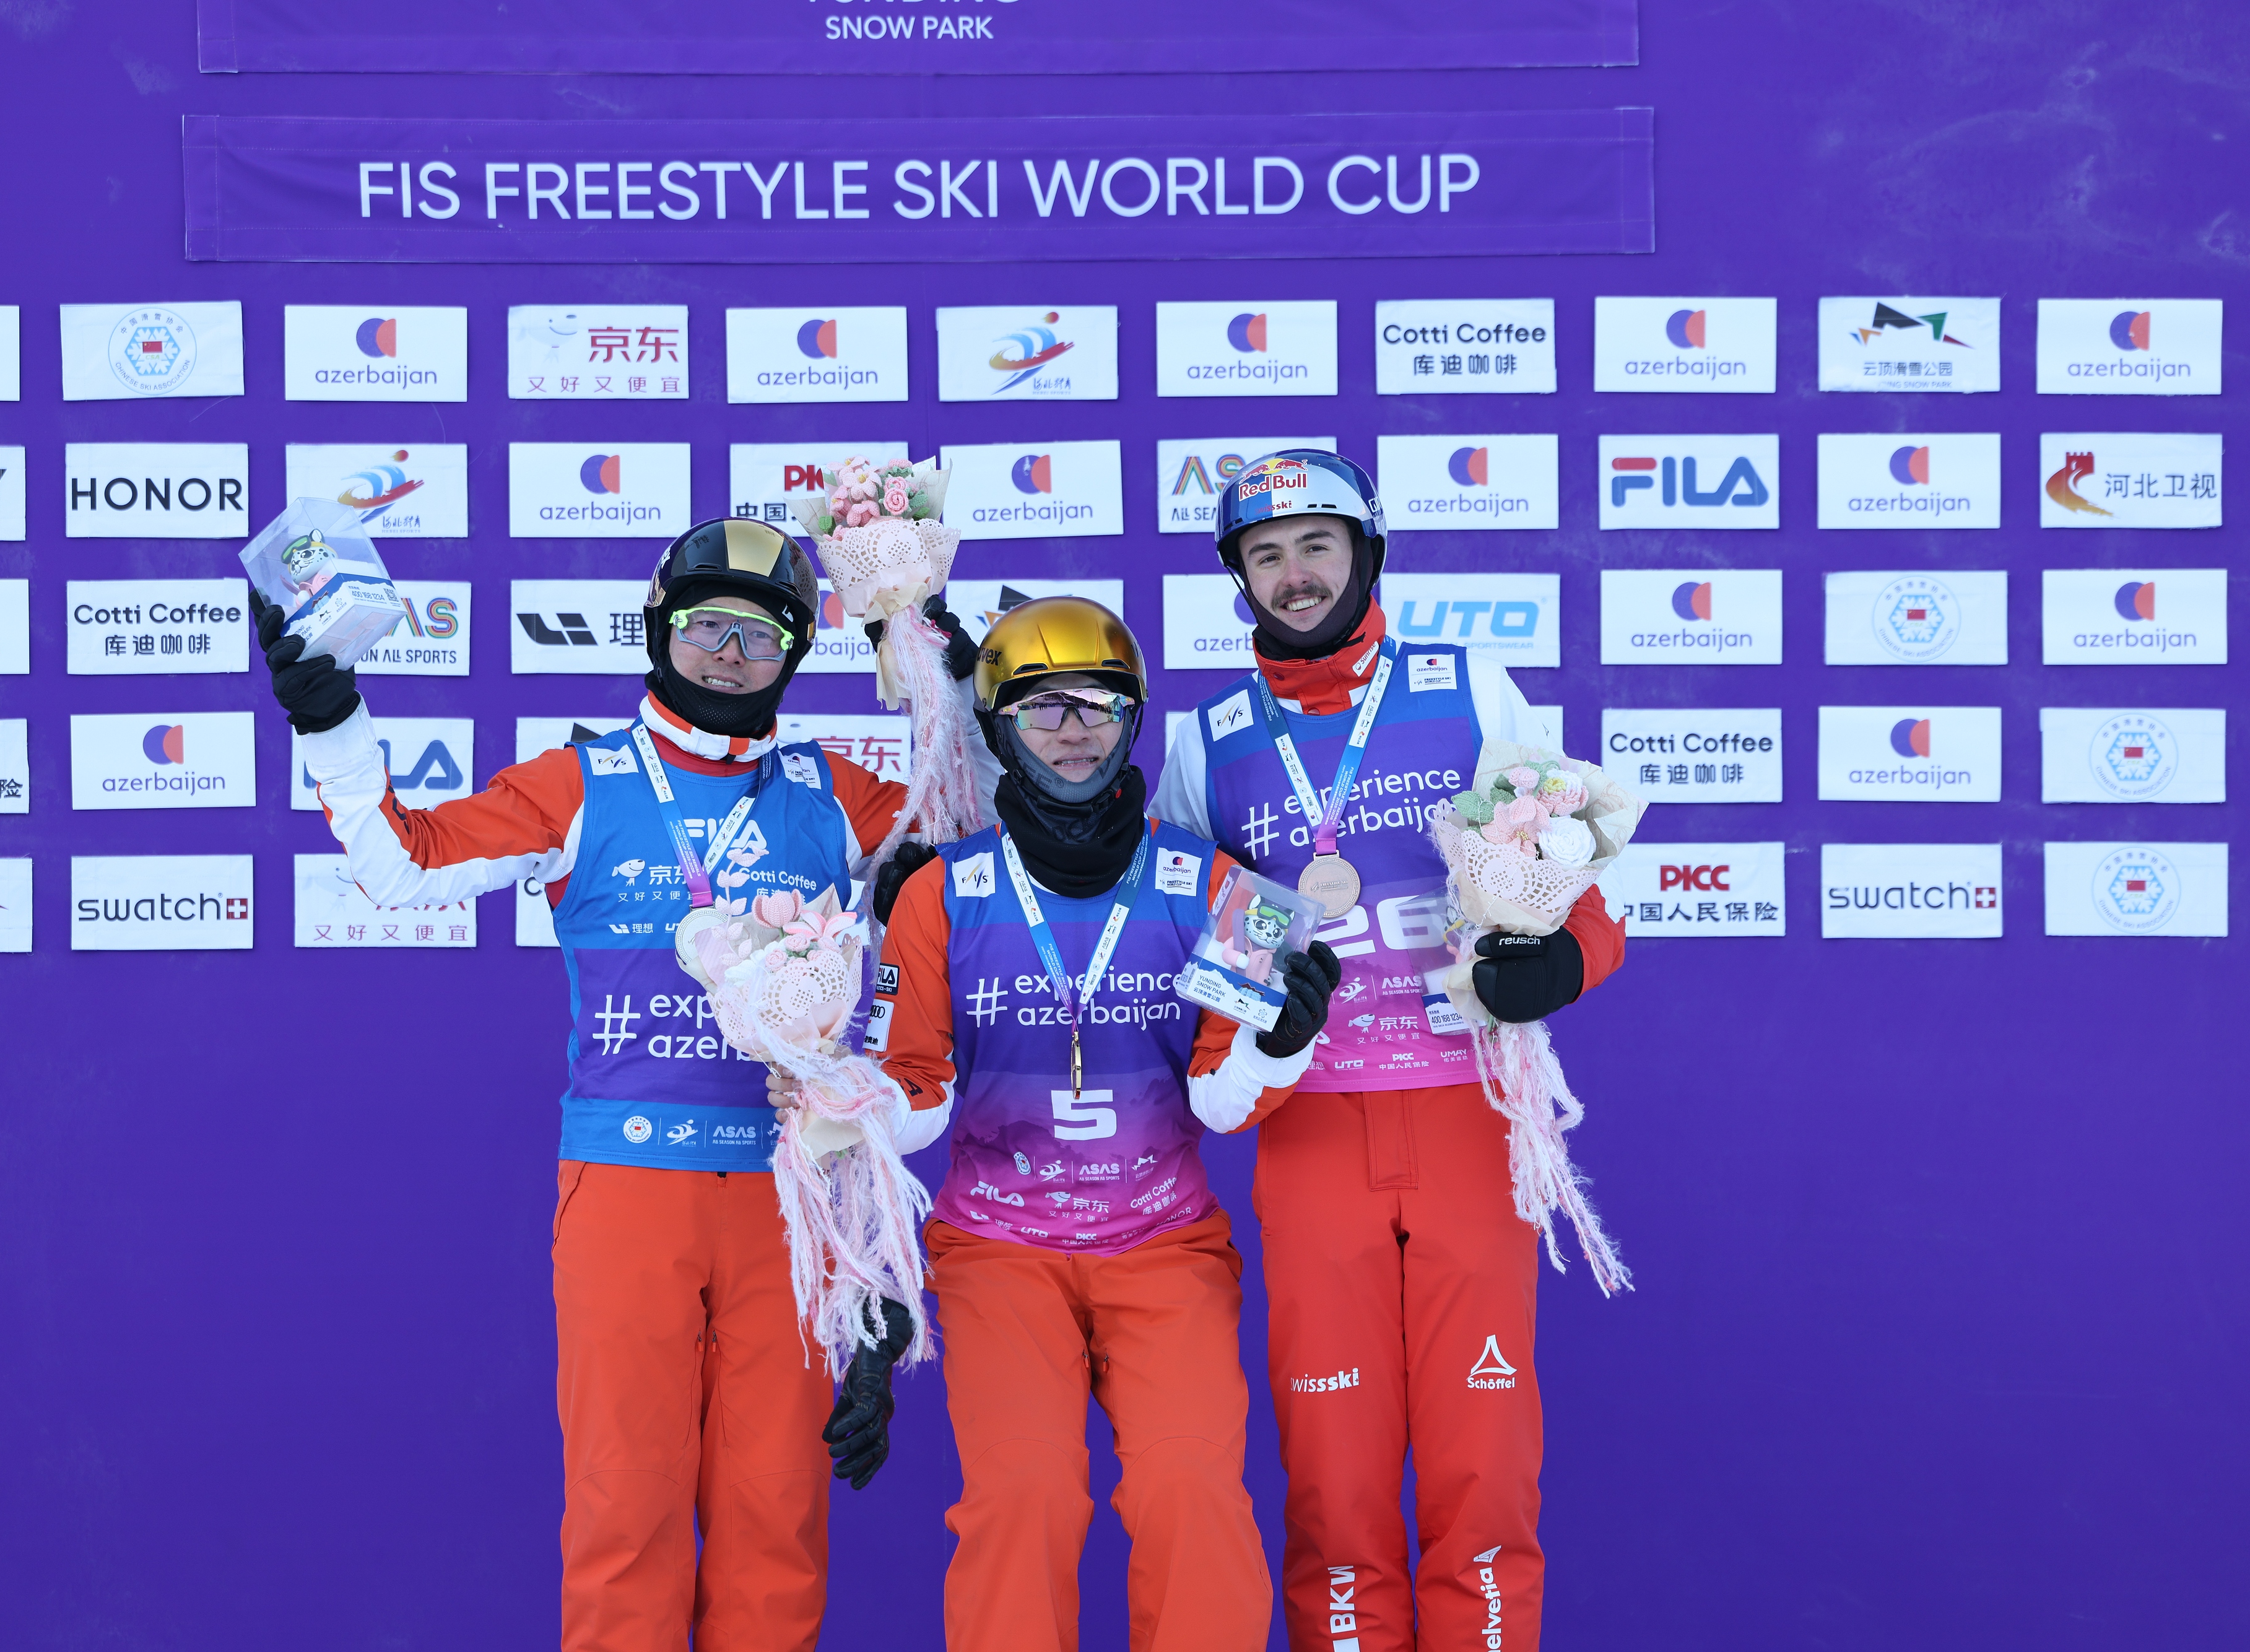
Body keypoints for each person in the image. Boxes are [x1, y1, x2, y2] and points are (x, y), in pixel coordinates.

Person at [250, 517, 975, 1652]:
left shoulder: (829, 791)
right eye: (707, 626)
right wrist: (332, 722)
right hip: (629, 1191)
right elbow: (404, 866)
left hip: (790, 1197)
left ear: (795, 654)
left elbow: (970, 852)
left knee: (777, 1516)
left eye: (762, 635)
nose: (729, 655)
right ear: (658, 629)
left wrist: (945, 680)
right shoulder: (581, 780)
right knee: (624, 1509)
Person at [1151, 452, 1630, 1652]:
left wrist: (1564, 964)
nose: (1295, 574)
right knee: (1334, 1465)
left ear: (1366, 553)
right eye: (1266, 555)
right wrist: (1247, 1036)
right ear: (1239, 578)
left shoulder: (1467, 686)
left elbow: (1574, 879)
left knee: (1484, 1458)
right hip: (1311, 1129)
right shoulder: (1211, 741)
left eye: (1316, 545)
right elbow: (1191, 945)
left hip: (1468, 1113)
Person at [862, 598, 1342, 1652]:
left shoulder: (1220, 884)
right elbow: (919, 1092)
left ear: (1133, 722)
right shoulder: (940, 894)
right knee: (1021, 1498)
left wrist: (1279, 1045)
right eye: (1043, 708)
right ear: (998, 728)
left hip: (1163, 1247)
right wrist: (840, 1100)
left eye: (1099, 705)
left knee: (1191, 1492)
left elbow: (1221, 1102)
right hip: (998, 1250)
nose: (1073, 730)